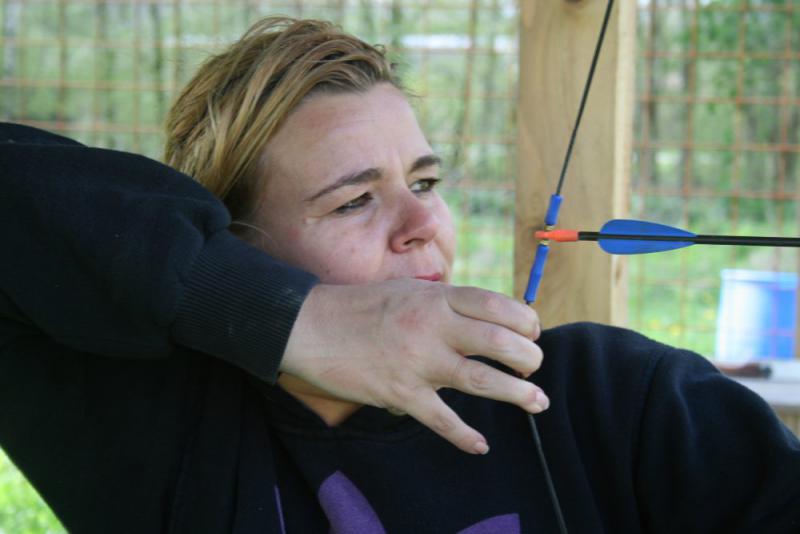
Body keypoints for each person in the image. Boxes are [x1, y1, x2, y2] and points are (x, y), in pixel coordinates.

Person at [2, 16, 799, 533]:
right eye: (354, 202)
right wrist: (288, 318)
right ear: (241, 245)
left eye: (423, 183)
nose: (425, 227)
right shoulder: (161, 429)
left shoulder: (609, 398)